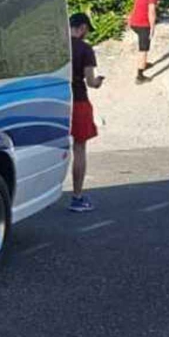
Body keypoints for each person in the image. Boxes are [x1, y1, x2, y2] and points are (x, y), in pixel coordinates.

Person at [68, 12, 103, 213]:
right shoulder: (85, 49)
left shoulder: (57, 46)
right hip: (78, 101)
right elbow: (90, 81)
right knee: (79, 149)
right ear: (82, 28)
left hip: (56, 100)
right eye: (87, 30)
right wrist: (98, 82)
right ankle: (77, 197)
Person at [128, 0, 160, 82]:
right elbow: (151, 11)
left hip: (134, 22)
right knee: (143, 49)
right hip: (142, 24)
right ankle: (140, 76)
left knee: (143, 46)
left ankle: (144, 63)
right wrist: (152, 28)